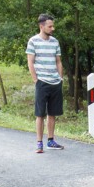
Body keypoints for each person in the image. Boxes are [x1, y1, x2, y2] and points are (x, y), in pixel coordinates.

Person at [26, 13, 66, 153]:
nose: (52, 28)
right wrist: (36, 80)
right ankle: (39, 143)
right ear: (41, 26)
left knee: (52, 113)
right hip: (42, 82)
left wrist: (60, 78)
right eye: (50, 26)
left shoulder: (55, 42)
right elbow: (30, 62)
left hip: (55, 82)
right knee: (40, 114)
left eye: (52, 25)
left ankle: (50, 141)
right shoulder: (33, 41)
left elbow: (58, 61)